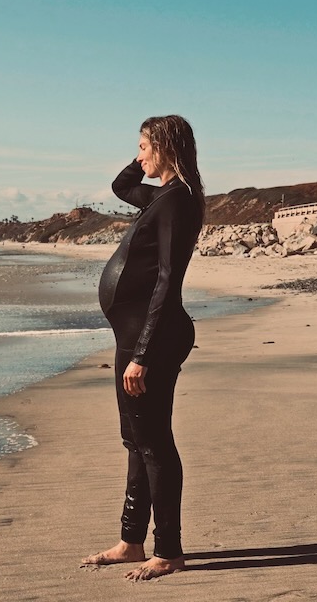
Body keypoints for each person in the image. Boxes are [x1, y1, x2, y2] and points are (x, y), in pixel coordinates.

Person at [82, 115, 205, 580]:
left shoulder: (176, 202)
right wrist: (143, 155)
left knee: (154, 443)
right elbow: (120, 184)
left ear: (167, 147)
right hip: (134, 336)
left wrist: (143, 355)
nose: (139, 156)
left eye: (144, 147)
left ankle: (168, 550)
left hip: (151, 338)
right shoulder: (163, 196)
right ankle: (132, 541)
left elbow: (168, 281)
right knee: (135, 439)